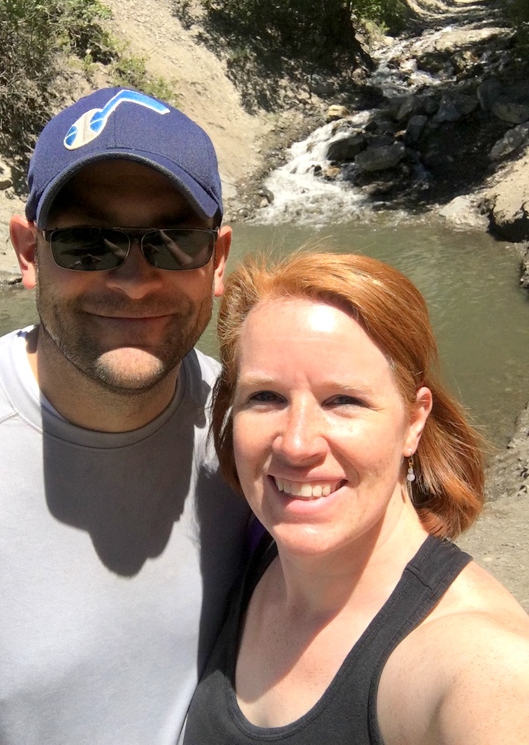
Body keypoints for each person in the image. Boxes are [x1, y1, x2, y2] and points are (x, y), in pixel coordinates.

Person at [0, 87, 251, 744]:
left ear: (216, 262)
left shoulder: (254, 436)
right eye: (86, 243)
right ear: (28, 253)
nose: (133, 280)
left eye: (174, 241)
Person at [184, 252, 529, 744]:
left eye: (343, 400)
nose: (296, 444)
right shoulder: (257, 551)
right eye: (266, 397)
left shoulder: (480, 663)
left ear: (414, 421)